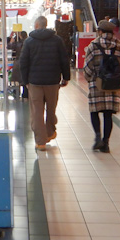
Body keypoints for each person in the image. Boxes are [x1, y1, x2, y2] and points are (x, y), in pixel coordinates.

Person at [18, 17, 70, 151]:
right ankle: (50, 132)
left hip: (35, 82)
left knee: (37, 112)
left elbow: (23, 63)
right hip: (53, 81)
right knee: (51, 109)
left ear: (36, 25)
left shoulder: (29, 41)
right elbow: (64, 60)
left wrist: (25, 81)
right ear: (46, 25)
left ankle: (40, 142)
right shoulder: (57, 40)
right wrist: (66, 77)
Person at [83, 20, 120, 153]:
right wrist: (117, 79)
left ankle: (98, 137)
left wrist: (90, 79)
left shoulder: (93, 45)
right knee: (108, 114)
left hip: (97, 83)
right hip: (112, 85)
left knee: (94, 111)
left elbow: (88, 67)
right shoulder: (118, 45)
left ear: (100, 31)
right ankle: (106, 143)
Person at [10, 31, 29, 99]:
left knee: (16, 81)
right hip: (27, 63)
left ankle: (16, 95)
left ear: (20, 36)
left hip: (18, 63)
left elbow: (9, 46)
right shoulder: (28, 42)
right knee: (25, 81)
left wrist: (12, 39)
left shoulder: (18, 43)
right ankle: (25, 95)